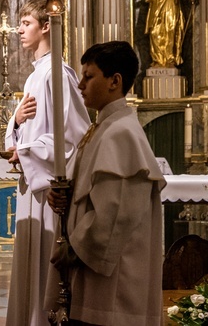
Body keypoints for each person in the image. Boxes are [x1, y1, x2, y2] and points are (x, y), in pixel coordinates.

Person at [46, 41, 165, 326]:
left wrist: (72, 249)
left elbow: (114, 216)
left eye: (89, 76)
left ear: (115, 81)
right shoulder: (103, 128)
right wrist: (65, 195)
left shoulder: (121, 134)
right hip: (96, 273)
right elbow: (92, 191)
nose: (81, 84)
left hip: (114, 283)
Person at [3, 0, 90, 326]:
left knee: (45, 272)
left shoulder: (58, 75)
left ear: (45, 26)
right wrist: (15, 123)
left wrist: (25, 151)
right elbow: (27, 132)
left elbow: (74, 137)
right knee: (31, 268)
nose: (20, 30)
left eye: (26, 23)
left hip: (49, 191)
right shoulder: (36, 76)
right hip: (33, 188)